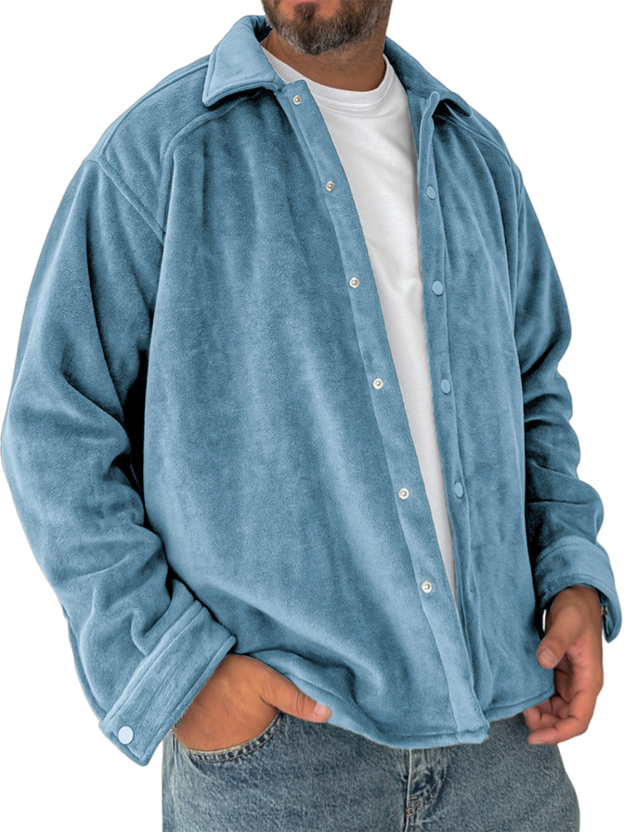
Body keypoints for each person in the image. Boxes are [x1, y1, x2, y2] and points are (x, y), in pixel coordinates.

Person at [1, 1, 620, 829]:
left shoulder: (475, 157)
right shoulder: (162, 151)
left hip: (506, 744)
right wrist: (176, 671)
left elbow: (533, 387)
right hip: (280, 760)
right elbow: (55, 424)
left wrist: (571, 574)